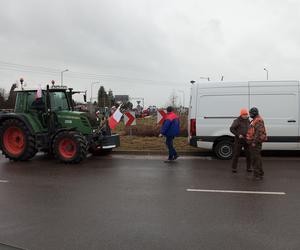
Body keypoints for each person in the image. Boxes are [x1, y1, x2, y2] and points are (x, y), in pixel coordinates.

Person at [246, 107, 267, 180]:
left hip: (255, 142)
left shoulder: (258, 121)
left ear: (254, 113)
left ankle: (257, 175)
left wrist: (254, 142)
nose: (250, 115)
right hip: (253, 142)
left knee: (255, 159)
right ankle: (260, 173)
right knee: (257, 158)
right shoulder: (255, 120)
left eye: (251, 113)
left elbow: (258, 133)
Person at [230, 108, 251, 173]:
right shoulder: (237, 121)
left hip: (246, 140)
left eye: (246, 114)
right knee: (236, 154)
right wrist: (238, 134)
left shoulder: (248, 120)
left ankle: (249, 168)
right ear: (241, 115)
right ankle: (234, 168)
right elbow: (232, 129)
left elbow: (250, 128)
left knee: (248, 155)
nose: (245, 115)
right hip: (239, 140)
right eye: (244, 114)